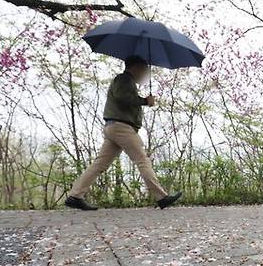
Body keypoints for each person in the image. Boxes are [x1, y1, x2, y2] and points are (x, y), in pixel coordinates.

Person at [65, 56, 181, 211]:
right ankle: (161, 197)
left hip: (114, 126)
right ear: (136, 67)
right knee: (142, 159)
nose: (145, 72)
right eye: (144, 69)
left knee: (100, 164)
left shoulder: (127, 81)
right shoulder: (123, 79)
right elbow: (122, 97)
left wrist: (143, 101)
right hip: (121, 127)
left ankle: (75, 196)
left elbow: (125, 98)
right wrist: (145, 101)